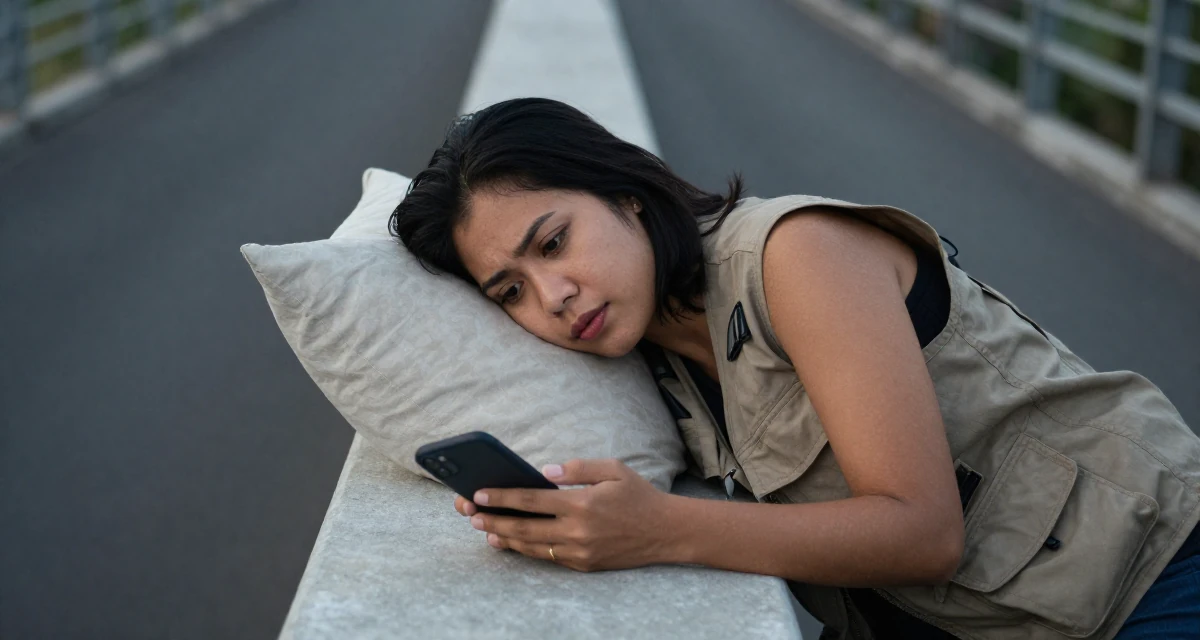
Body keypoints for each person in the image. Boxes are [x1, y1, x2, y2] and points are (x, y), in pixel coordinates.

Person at [389, 97, 1200, 639]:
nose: (554, 296)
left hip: (1147, 577)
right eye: (511, 291)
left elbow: (925, 533)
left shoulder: (796, 255)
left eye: (554, 241)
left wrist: (658, 528)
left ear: (624, 193)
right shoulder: (654, 361)